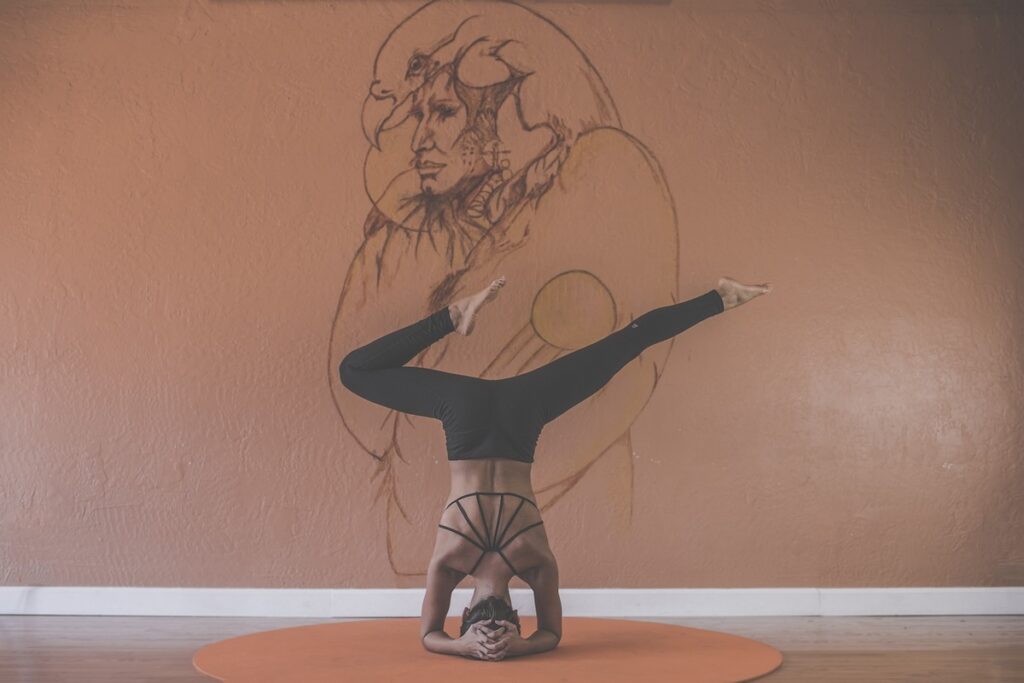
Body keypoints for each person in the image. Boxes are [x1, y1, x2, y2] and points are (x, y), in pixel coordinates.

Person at [339, 275, 772, 660]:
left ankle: (721, 297)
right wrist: (465, 644)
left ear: (490, 613)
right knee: (354, 370)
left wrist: (515, 644)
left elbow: (547, 633)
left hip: (520, 416)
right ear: (465, 610)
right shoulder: (452, 564)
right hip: (468, 418)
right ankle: (451, 316)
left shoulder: (533, 564)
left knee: (626, 344)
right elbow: (432, 635)